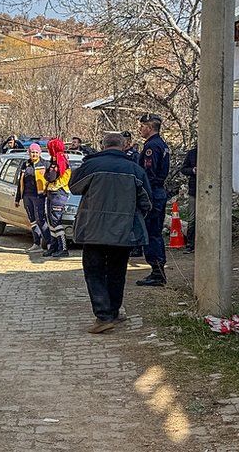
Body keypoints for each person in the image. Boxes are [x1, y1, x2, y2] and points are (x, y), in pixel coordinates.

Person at [69, 132, 152, 334]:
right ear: (124, 146)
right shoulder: (135, 169)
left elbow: (73, 188)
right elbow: (147, 202)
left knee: (94, 272)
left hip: (93, 230)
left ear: (102, 145)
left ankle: (103, 316)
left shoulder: (91, 166)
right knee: (117, 272)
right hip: (123, 232)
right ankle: (113, 312)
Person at [137, 113, 170, 287]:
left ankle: (157, 271)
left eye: (142, 126)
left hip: (152, 193)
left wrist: (142, 194)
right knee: (153, 232)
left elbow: (148, 174)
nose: (140, 129)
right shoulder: (161, 144)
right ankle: (157, 270)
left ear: (149, 127)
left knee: (151, 232)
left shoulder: (152, 146)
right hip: (157, 192)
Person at [15, 143, 50, 253]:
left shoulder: (45, 164)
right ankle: (36, 243)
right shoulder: (25, 164)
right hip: (27, 195)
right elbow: (19, 181)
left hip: (39, 196)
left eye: (36, 152)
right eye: (32, 152)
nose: (34, 154)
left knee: (40, 220)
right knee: (33, 220)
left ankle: (49, 243)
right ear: (29, 153)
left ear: (39, 153)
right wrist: (17, 198)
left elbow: (50, 179)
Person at [44, 138, 72, 258]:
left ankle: (63, 248)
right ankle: (53, 246)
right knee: (51, 222)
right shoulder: (54, 161)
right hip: (51, 192)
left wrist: (48, 174)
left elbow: (50, 177)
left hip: (59, 193)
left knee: (56, 221)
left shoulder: (60, 161)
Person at [180, 146, 198, 254]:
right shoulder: (192, 153)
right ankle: (190, 244)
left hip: (209, 190)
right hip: (194, 190)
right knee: (192, 219)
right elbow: (183, 169)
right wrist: (193, 170)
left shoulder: (212, 151)